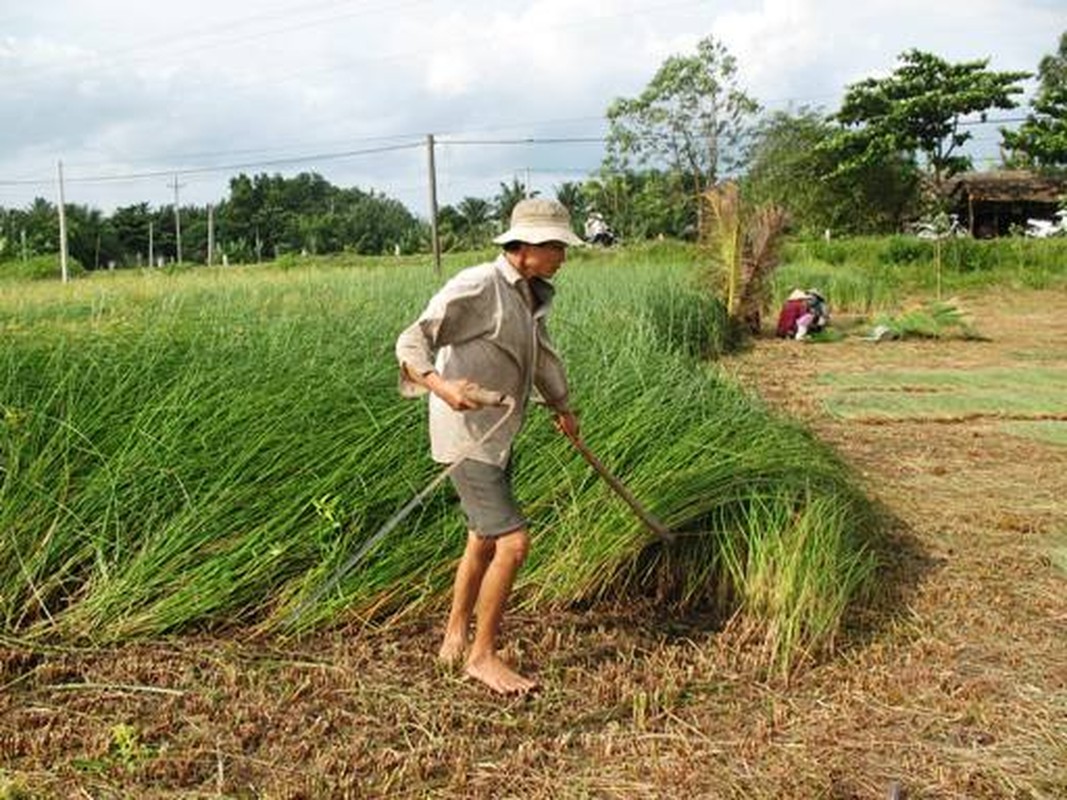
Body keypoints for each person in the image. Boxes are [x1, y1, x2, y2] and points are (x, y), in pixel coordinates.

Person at [395, 198, 581, 695]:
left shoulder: (528, 295)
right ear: (526, 246)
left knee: (482, 537)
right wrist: (443, 386)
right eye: (557, 245)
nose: (563, 254)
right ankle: (482, 656)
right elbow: (412, 340)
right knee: (513, 543)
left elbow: (539, 358)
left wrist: (563, 407)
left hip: (497, 435)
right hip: (467, 438)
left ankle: (456, 635)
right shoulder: (480, 284)